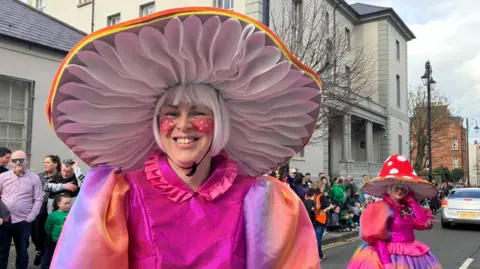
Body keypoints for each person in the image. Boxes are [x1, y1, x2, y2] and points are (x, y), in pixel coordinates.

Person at [46, 7, 322, 269]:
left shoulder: (261, 199)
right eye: (171, 114)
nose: (183, 126)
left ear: (219, 123)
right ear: (157, 123)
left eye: (198, 113)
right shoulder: (119, 195)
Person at [347, 154, 442, 269]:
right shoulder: (381, 208)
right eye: (396, 188)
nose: (400, 191)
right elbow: (378, 239)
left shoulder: (408, 207)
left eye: (403, 188)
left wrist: (412, 202)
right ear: (388, 188)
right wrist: (386, 263)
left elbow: (423, 224)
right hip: (387, 255)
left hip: (410, 253)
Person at [0, 151, 43, 269]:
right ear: (10, 163)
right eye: (14, 160)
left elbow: (38, 199)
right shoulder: (2, 177)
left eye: (21, 160)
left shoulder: (34, 178)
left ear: (27, 161)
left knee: (22, 252)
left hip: (23, 222)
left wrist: (30, 217)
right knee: (2, 252)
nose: (18, 162)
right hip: (4, 221)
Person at [41, 194, 71, 269]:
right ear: (58, 204)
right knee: (49, 257)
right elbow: (48, 227)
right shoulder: (53, 215)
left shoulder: (71, 213)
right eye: (65, 203)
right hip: (54, 241)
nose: (68, 205)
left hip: (67, 242)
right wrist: (53, 236)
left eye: (69, 203)